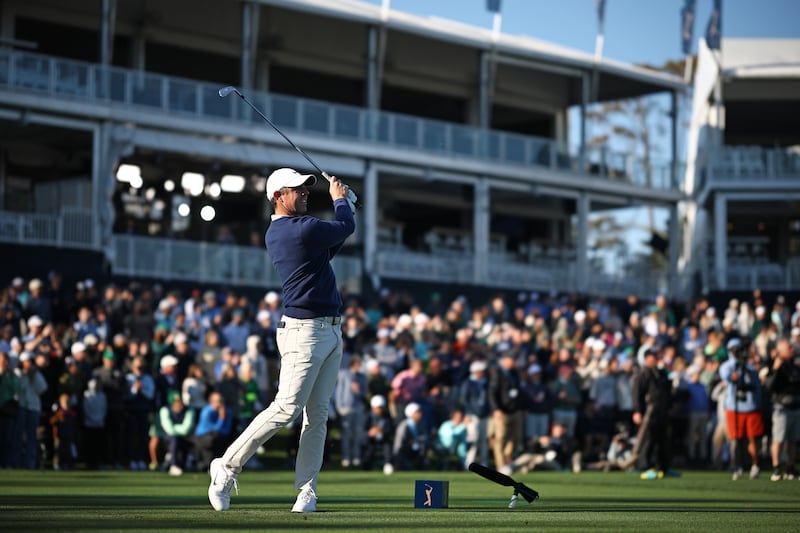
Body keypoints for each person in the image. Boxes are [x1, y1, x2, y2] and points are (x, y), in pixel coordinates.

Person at [207, 168, 355, 513]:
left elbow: (332, 244)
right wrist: (342, 202)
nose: (305, 194)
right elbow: (343, 228)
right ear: (278, 196)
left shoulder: (292, 231)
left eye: (307, 190)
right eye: (298, 190)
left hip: (331, 330)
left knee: (317, 415)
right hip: (305, 332)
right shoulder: (295, 229)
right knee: (287, 407)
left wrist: (346, 206)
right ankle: (226, 468)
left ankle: (306, 491)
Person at [719, 338, 764, 481]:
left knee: (753, 438)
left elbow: (756, 386)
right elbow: (728, 376)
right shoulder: (728, 366)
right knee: (736, 439)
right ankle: (737, 466)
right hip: (735, 407)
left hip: (751, 406)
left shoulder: (750, 367)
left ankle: (755, 465)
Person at [632, 348, 672, 480]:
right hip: (649, 411)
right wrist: (637, 411)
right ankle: (645, 467)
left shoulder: (660, 373)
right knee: (648, 440)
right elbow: (637, 394)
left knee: (662, 440)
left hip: (662, 410)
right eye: (653, 357)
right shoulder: (642, 374)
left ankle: (663, 466)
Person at [764, 338, 800, 481]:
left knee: (792, 440)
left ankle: (790, 468)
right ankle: (776, 467)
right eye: (788, 348)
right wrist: (775, 369)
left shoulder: (794, 366)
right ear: (780, 351)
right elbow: (769, 386)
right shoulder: (775, 366)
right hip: (781, 407)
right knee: (778, 438)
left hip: (795, 406)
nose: (792, 349)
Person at [488, 353, 524, 471]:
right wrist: (496, 409)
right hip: (502, 411)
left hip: (515, 410)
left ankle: (508, 456)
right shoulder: (497, 373)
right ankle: (501, 466)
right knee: (501, 438)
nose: (513, 362)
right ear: (504, 361)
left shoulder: (514, 373)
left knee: (517, 437)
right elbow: (492, 393)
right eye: (511, 359)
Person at [335, 356, 367, 468]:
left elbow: (363, 393)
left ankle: (356, 457)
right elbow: (339, 391)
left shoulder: (362, 377)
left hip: (358, 408)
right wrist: (340, 407)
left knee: (357, 433)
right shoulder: (344, 374)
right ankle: (346, 457)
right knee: (346, 434)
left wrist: (358, 391)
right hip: (346, 408)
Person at [363, 394, 394, 474]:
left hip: (383, 439)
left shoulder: (387, 416)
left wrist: (382, 431)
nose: (379, 409)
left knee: (387, 447)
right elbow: (363, 430)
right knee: (369, 451)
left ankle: (388, 464)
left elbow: (390, 429)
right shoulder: (368, 416)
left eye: (381, 407)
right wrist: (370, 432)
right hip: (371, 441)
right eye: (377, 407)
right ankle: (366, 467)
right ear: (373, 407)